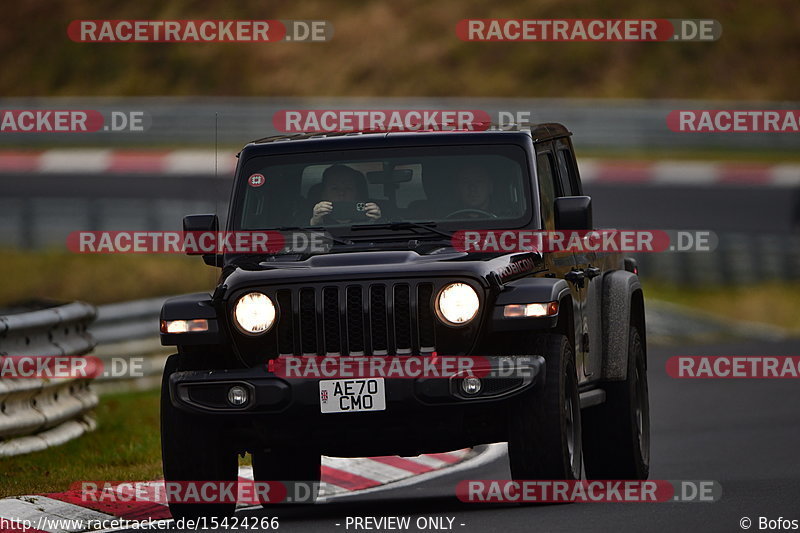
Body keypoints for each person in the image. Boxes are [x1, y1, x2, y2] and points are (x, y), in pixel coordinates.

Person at [309, 165, 382, 225]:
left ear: (357, 193)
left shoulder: (368, 215)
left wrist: (375, 222)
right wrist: (315, 223)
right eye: (334, 188)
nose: (341, 193)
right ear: (323, 194)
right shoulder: (309, 217)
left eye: (348, 188)